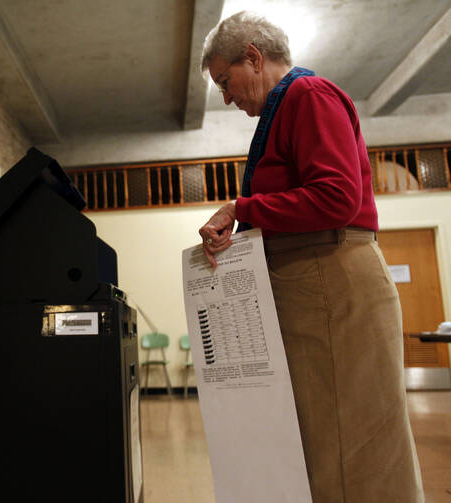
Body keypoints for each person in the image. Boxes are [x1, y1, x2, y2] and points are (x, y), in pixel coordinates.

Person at [198, 11, 424, 503]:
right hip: (316, 283)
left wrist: (243, 207)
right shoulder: (288, 106)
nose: (226, 96)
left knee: (353, 446)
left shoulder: (308, 95)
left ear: (253, 57)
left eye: (225, 80)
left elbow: (336, 198)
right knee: (328, 440)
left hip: (331, 281)